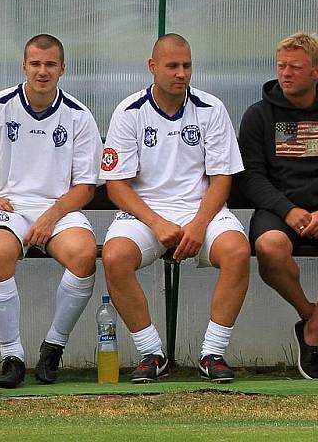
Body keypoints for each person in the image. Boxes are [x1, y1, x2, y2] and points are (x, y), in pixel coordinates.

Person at [0, 34, 102, 388]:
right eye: (35, 64)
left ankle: (53, 348)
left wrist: (50, 216)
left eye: (50, 65)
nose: (42, 72)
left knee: (84, 255)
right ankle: (12, 356)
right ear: (24, 66)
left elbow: (86, 187)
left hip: (57, 208)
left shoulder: (78, 115)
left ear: (62, 68)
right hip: (6, 206)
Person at [100, 33, 250, 383]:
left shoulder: (211, 108)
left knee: (238, 251)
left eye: (186, 66)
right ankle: (151, 353)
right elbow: (116, 185)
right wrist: (156, 223)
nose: (181, 73)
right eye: (172, 66)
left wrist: (199, 224)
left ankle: (212, 353)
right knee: (115, 256)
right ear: (153, 67)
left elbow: (222, 179)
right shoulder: (129, 111)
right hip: (145, 213)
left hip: (201, 210)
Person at [238, 32, 318, 380]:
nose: (286, 73)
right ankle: (313, 315)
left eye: (295, 67)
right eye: (281, 66)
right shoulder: (258, 116)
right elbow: (251, 177)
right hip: (278, 211)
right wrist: (286, 210)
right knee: (270, 246)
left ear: (317, 72)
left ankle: (311, 333)